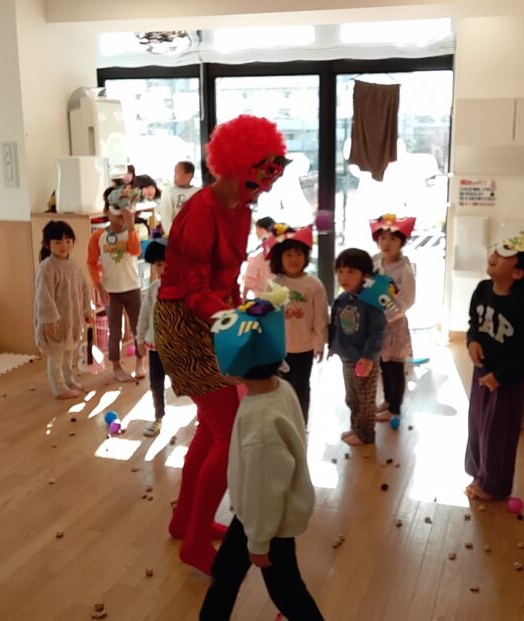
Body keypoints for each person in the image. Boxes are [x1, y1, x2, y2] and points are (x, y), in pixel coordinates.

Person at [154, 114, 290, 576]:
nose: (263, 189)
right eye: (260, 178)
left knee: (212, 427)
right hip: (181, 322)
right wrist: (232, 318)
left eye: (269, 179)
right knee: (227, 432)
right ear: (234, 166)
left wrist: (242, 307)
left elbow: (224, 278)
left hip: (213, 319)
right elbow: (193, 290)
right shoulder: (201, 212)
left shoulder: (243, 209)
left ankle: (184, 522)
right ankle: (194, 542)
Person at [200, 288, 324, 621]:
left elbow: (264, 488)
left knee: (286, 591)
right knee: (225, 572)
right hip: (255, 515)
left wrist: (258, 542)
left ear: (236, 366)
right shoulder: (279, 387)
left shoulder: (263, 425)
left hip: (269, 522)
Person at [464, 233, 524, 500]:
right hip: (481, 372)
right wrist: (472, 341)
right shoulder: (482, 290)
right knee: (477, 425)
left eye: (503, 256)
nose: (494, 256)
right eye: (496, 251)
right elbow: (473, 323)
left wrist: (500, 376)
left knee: (498, 434)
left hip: (507, 381)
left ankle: (493, 486)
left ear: (518, 272)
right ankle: (478, 473)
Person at [266, 224, 327, 423]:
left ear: (306, 256)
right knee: (280, 388)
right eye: (288, 255)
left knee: (301, 387)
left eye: (299, 254)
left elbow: (320, 318)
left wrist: (319, 343)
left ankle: (301, 425)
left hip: (304, 347)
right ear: (279, 258)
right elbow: (267, 316)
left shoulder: (313, 285)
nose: (294, 259)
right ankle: (283, 423)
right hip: (279, 349)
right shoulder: (274, 284)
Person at [330, 248, 389, 446]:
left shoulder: (371, 302)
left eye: (351, 272)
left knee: (365, 399)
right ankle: (357, 428)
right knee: (352, 398)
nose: (343, 277)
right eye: (340, 271)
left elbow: (377, 332)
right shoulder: (342, 299)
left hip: (364, 360)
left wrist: (368, 357)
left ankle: (366, 435)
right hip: (347, 358)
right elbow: (335, 327)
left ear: (365, 275)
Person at [88, 188, 146, 383]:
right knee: (115, 331)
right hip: (111, 290)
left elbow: (135, 251)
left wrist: (130, 226)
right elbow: (91, 262)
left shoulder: (131, 233)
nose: (122, 214)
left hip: (132, 287)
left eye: (125, 210)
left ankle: (140, 362)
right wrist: (99, 287)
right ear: (106, 211)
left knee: (138, 328)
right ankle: (116, 367)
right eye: (117, 210)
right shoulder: (98, 236)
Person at [36, 220, 93, 400]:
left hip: (71, 319)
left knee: (68, 352)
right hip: (56, 321)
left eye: (68, 241)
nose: (64, 246)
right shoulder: (47, 267)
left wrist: (87, 310)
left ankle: (68, 380)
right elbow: (44, 295)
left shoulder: (73, 264)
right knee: (56, 355)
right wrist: (49, 319)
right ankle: (59, 388)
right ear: (48, 244)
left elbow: (83, 288)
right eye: (58, 242)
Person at [370, 214, 417, 422]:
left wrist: (387, 314)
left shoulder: (404, 269)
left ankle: (395, 407)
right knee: (383, 364)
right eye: (383, 238)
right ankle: (388, 401)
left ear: (402, 242)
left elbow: (408, 300)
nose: (386, 243)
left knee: (395, 366)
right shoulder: (375, 261)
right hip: (376, 323)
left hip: (394, 324)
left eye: (392, 239)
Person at [135, 237, 168, 437]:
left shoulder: (186, 289)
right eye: (159, 265)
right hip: (156, 347)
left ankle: (202, 416)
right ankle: (158, 416)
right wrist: (139, 339)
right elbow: (144, 315)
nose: (163, 269)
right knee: (156, 382)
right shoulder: (154, 289)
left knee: (187, 384)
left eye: (167, 264)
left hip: (178, 349)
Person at [159, 161, 199, 236]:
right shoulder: (168, 192)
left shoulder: (198, 192)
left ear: (188, 176)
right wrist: (173, 236)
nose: (174, 176)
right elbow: (166, 219)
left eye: (176, 173)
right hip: (177, 236)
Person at [243, 216, 276, 299]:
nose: (256, 232)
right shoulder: (279, 248)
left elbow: (250, 278)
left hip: (262, 297)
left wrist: (244, 297)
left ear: (262, 229)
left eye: (257, 229)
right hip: (280, 294)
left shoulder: (260, 253)